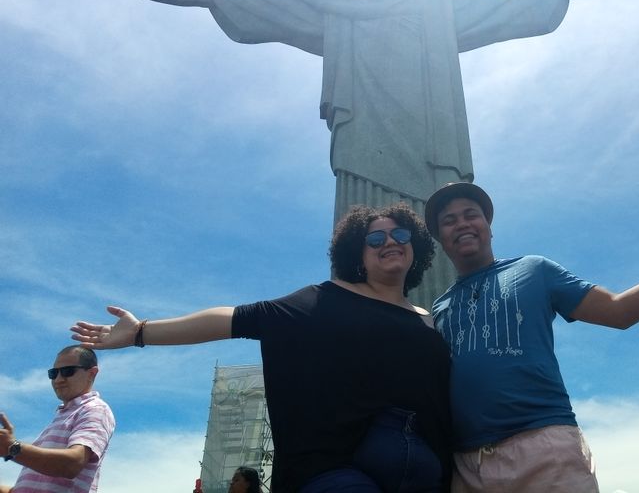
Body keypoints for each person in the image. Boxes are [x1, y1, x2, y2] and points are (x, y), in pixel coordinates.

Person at [139, 0, 636, 308]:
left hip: (430, 132)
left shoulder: (440, 2)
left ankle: (442, 321)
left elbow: (504, 6)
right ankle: (367, 318)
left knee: (434, 211)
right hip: (365, 127)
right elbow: (278, 6)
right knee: (368, 217)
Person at [70, 203, 452, 492]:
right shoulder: (323, 300)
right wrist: (141, 332)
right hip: (337, 470)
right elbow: (234, 319)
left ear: (415, 247)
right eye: (375, 238)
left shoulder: (429, 319)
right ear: (358, 253)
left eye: (400, 235)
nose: (389, 242)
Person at [424, 182, 639, 493]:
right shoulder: (440, 308)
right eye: (449, 220)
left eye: (471, 214)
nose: (462, 224)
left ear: (488, 226)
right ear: (440, 237)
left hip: (543, 449)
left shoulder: (533, 270)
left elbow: (619, 311)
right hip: (466, 466)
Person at [0, 346, 115, 493]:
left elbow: (73, 463)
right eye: (53, 373)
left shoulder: (95, 409)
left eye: (68, 371)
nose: (58, 379)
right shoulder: (62, 418)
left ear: (92, 373)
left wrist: (12, 448)